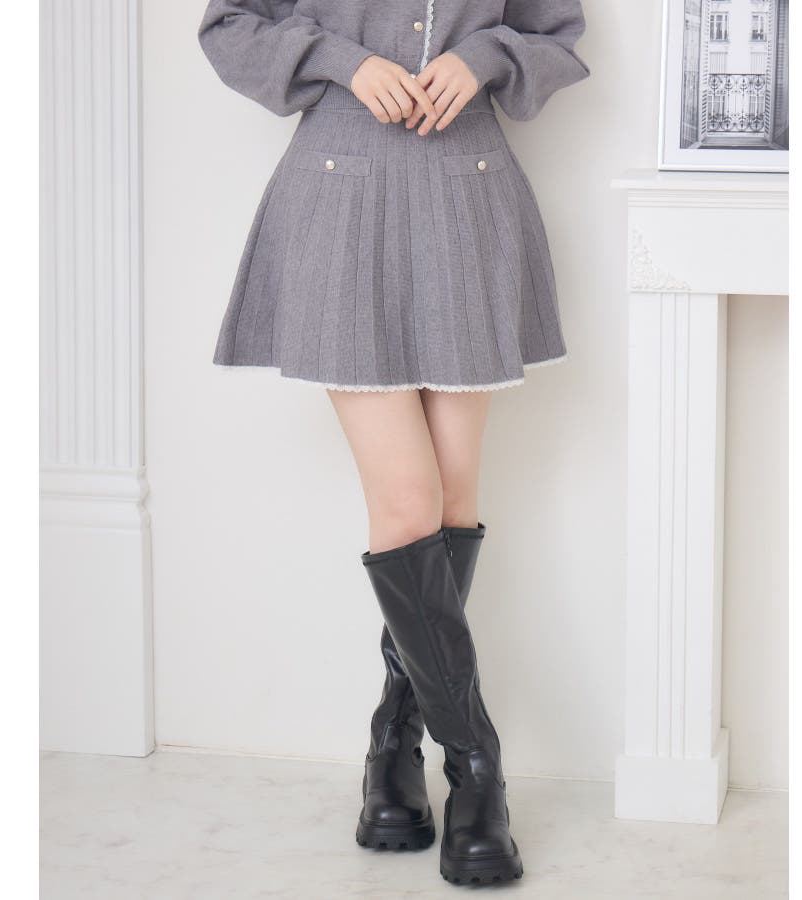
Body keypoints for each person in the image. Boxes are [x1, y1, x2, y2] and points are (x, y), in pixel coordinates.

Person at [197, 0, 590, 886]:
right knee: (410, 506)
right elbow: (229, 27)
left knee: (451, 504)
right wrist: (344, 61)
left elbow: (555, 33)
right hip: (342, 199)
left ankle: (393, 746)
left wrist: (483, 54)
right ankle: (477, 767)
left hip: (468, 195)